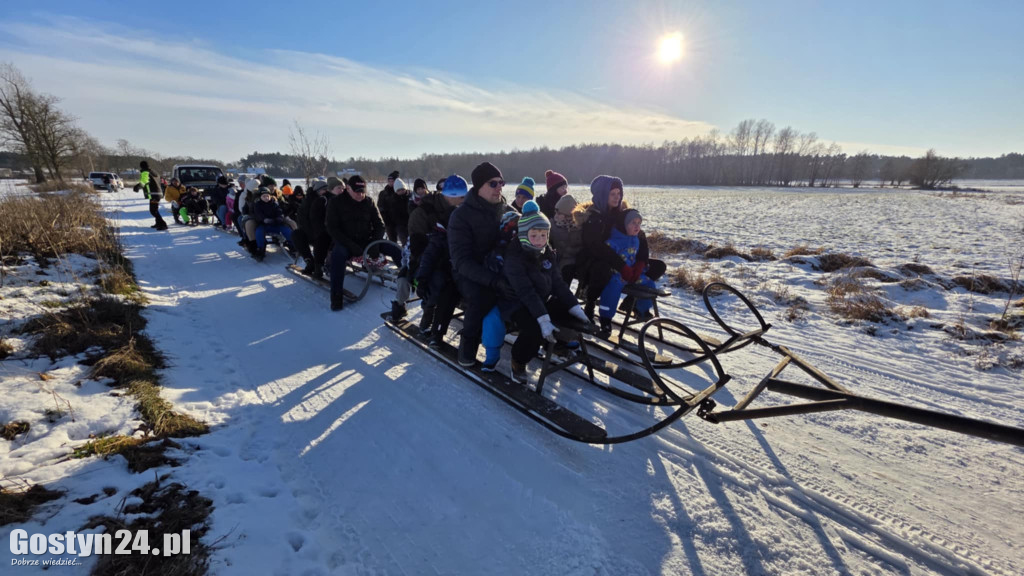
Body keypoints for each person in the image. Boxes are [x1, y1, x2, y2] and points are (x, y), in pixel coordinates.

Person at [481, 200, 589, 381]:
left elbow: (558, 283)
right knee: (534, 328)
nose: (539, 240)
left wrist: (574, 307)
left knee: (563, 306)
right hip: (515, 303)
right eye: (534, 235)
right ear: (524, 234)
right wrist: (543, 319)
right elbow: (526, 292)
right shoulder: (514, 258)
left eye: (543, 235)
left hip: (539, 298)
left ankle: (561, 340)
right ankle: (519, 361)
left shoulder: (546, 252)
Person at [448, 161, 509, 366]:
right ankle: (468, 344)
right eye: (493, 183)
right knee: (481, 296)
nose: (499, 187)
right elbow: (461, 260)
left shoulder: (505, 210)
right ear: (479, 187)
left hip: (499, 266)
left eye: (501, 182)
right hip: (469, 271)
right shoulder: (461, 216)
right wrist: (492, 280)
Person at [324, 175, 402, 311]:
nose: (360, 195)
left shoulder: (369, 202)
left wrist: (375, 243)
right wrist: (350, 245)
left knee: (396, 249)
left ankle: (410, 280)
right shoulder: (336, 203)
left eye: (363, 191)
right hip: (345, 242)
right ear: (348, 189)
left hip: (367, 240)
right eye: (357, 191)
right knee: (338, 256)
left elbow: (380, 225)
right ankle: (336, 296)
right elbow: (332, 228)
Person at [414, 174, 468, 348]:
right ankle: (428, 316)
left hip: (462, 267)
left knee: (449, 287)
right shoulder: (436, 215)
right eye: (456, 197)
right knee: (437, 285)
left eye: (462, 197)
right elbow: (431, 249)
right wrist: (421, 276)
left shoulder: (469, 215)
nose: (460, 201)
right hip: (443, 263)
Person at [595, 209, 663, 337]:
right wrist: (620, 268)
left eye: (639, 223)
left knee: (650, 284)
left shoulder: (637, 239)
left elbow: (640, 255)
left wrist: (639, 268)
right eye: (633, 223)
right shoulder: (614, 241)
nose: (637, 226)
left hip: (632, 273)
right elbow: (607, 257)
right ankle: (605, 318)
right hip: (618, 274)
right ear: (624, 225)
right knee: (613, 288)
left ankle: (641, 309)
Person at [251, 188, 294, 262]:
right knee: (259, 232)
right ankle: (260, 249)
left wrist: (280, 218)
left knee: (287, 230)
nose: (266, 198)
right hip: (264, 224)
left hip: (275, 223)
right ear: (260, 197)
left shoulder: (274, 203)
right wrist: (264, 219)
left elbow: (279, 211)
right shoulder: (258, 205)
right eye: (264, 196)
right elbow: (258, 214)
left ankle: (293, 246)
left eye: (268, 196)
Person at [549, 194, 582, 283]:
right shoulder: (551, 226)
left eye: (559, 214)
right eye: (555, 212)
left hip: (570, 262)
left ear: (568, 216)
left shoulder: (578, 228)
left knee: (567, 270)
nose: (556, 215)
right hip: (555, 260)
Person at [379, 175, 411, 245]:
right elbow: (385, 209)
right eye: (399, 190)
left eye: (402, 189)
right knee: (401, 240)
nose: (401, 191)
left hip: (410, 222)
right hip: (398, 224)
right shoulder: (392, 199)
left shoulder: (410, 196)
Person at [138, 161, 166, 230]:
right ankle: (158, 223)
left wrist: (136, 187)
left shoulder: (145, 172)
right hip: (158, 193)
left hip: (153, 194)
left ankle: (163, 224)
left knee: (153, 210)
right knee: (154, 209)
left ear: (141, 166)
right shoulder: (154, 172)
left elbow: (143, 182)